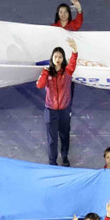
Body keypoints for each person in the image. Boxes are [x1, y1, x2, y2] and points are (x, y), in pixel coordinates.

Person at [37, 38, 78, 166]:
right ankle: (52, 162)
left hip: (64, 110)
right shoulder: (47, 72)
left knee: (65, 136)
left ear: (63, 58)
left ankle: (65, 158)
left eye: (60, 57)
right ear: (52, 58)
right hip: (50, 111)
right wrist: (45, 72)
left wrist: (75, 50)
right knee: (52, 139)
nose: (58, 59)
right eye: (55, 56)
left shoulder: (67, 71)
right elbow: (39, 85)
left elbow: (72, 63)